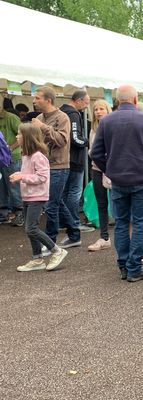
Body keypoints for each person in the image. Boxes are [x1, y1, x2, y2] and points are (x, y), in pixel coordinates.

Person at [91, 84, 143, 282]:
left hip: (118, 180)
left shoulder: (106, 121)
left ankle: (124, 266)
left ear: (117, 101)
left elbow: (95, 153)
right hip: (142, 179)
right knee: (139, 223)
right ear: (135, 100)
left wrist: (109, 169)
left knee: (122, 223)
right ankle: (134, 268)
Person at [10, 123, 68, 272]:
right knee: (29, 228)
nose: (17, 136)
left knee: (31, 228)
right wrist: (20, 176)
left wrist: (22, 177)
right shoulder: (26, 155)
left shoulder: (38, 156)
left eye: (19, 134)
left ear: (28, 137)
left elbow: (42, 177)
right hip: (28, 196)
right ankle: (37, 259)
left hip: (37, 196)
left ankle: (56, 250)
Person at [31, 86, 71, 247]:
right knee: (57, 201)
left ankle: (50, 243)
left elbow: (62, 140)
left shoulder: (63, 118)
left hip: (58, 166)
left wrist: (42, 127)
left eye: (37, 98)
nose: (34, 101)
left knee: (51, 205)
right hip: (44, 166)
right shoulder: (40, 117)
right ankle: (75, 233)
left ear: (48, 100)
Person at [58, 90, 91, 248]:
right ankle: (74, 223)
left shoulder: (60, 112)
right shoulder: (73, 114)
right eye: (86, 102)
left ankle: (64, 222)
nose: (87, 106)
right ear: (78, 100)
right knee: (74, 192)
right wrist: (87, 142)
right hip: (74, 159)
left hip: (63, 159)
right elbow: (76, 138)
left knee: (65, 192)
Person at [87, 100, 112, 252]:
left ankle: (126, 239)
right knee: (101, 204)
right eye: (95, 109)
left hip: (114, 169)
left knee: (118, 203)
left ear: (108, 110)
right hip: (97, 168)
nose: (98, 111)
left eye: (101, 108)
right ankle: (104, 237)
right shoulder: (93, 128)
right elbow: (92, 150)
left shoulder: (113, 126)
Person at [0, 100, 23, 225]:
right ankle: (4, 212)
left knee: (14, 185)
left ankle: (20, 212)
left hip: (12, 157)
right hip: (1, 158)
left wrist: (11, 148)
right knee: (1, 185)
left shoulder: (11, 118)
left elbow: (22, 134)